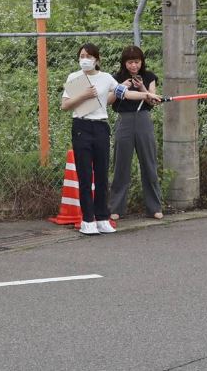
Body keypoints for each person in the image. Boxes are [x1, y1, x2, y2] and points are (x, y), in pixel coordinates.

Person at [60, 43, 121, 236]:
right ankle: (88, 219)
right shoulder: (74, 77)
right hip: (81, 126)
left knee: (101, 174)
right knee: (85, 175)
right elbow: (65, 105)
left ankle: (102, 217)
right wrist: (84, 94)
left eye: (88, 56)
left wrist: (146, 94)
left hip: (101, 126)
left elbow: (122, 93)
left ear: (96, 59)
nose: (84, 59)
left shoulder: (106, 78)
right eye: (81, 56)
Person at [108, 46, 163, 221]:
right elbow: (109, 100)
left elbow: (153, 100)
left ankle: (154, 207)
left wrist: (142, 89)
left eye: (137, 62)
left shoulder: (149, 76)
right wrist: (121, 87)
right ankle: (116, 208)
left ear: (142, 62)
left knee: (149, 163)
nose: (134, 66)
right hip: (124, 120)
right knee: (121, 164)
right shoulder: (116, 78)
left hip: (143, 120)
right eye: (130, 62)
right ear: (124, 63)